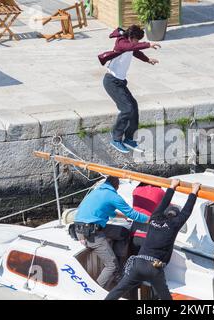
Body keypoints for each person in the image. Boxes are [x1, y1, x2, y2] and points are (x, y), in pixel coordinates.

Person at [105, 179, 201, 300]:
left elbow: (163, 203)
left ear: (164, 214)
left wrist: (172, 186)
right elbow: (187, 210)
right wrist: (194, 191)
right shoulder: (174, 225)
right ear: (175, 216)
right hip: (154, 267)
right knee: (165, 297)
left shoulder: (154, 219)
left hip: (137, 264)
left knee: (118, 290)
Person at [74, 176, 149, 289]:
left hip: (82, 228)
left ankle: (118, 270)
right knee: (111, 265)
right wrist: (150, 219)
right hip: (91, 233)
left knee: (123, 232)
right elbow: (133, 214)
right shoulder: (113, 196)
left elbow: (109, 211)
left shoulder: (97, 191)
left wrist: (123, 216)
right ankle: (96, 292)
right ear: (117, 185)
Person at [104, 25, 161, 154]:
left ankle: (129, 138)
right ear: (131, 37)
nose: (138, 43)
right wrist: (148, 44)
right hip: (111, 82)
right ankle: (116, 139)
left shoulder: (130, 45)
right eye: (137, 40)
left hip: (120, 82)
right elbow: (131, 47)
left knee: (134, 107)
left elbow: (135, 51)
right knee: (126, 109)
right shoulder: (121, 43)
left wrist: (147, 60)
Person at [130, 182, 166, 255]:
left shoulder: (136, 190)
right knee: (144, 263)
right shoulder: (160, 192)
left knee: (133, 260)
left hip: (134, 233)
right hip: (149, 235)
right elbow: (166, 207)